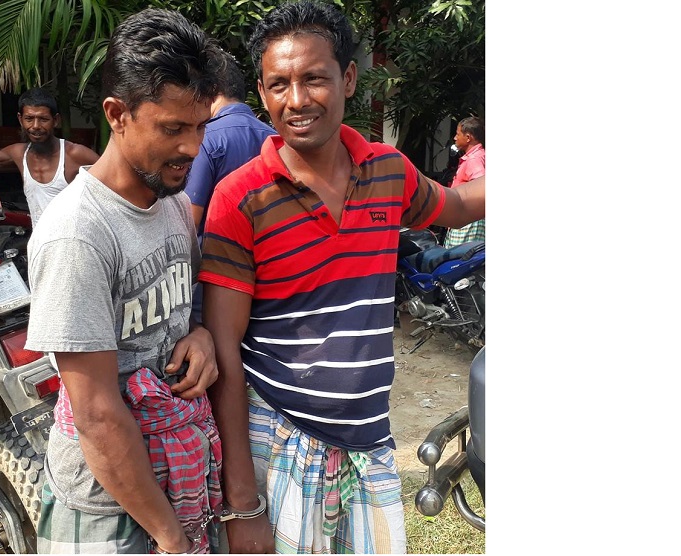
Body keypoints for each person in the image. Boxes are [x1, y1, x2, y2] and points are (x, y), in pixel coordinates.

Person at [198, 1, 485, 553]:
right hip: (279, 436)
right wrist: (244, 501)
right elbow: (224, 352)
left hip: (370, 441)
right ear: (261, 92)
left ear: (348, 78)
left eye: (314, 78)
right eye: (278, 84)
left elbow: (456, 204)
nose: (296, 100)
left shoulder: (388, 172)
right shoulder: (239, 197)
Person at [23, 9, 228, 554]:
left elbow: (185, 310)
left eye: (200, 126)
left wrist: (202, 336)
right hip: (106, 508)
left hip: (176, 481)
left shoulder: (173, 203)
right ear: (117, 114)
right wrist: (171, 538)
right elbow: (96, 414)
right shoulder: (77, 235)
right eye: (173, 129)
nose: (193, 147)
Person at [186, 50, 276, 322]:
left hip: (213, 288)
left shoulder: (206, 140)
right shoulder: (276, 139)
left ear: (210, 91)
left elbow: (189, 222)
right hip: (269, 283)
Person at [0, 87, 100, 227]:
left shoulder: (75, 154)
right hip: (38, 238)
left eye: (43, 119)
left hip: (73, 237)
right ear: (20, 119)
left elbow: (114, 181)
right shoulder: (19, 153)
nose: (36, 126)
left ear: (55, 120)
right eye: (29, 119)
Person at [443, 116, 485, 248]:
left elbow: (480, 187)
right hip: (469, 220)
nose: (455, 138)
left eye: (457, 134)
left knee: (459, 256)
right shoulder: (479, 155)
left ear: (468, 138)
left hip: (468, 223)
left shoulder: (474, 160)